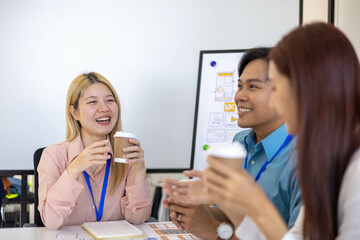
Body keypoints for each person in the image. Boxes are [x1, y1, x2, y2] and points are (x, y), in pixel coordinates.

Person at [201, 23, 360, 239]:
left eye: (275, 87)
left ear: (307, 88)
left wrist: (253, 206)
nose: (275, 102)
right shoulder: (324, 155)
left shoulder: (353, 166)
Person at [163, 48, 302, 239]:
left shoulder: (304, 160)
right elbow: (232, 218)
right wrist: (199, 212)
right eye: (239, 86)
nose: (239, 96)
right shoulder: (239, 143)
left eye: (253, 87)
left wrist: (213, 231)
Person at [38, 72, 152, 229]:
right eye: (92, 102)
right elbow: (51, 221)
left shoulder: (125, 154)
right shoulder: (53, 155)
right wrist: (73, 170)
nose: (104, 108)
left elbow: (138, 218)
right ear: (75, 112)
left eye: (110, 100)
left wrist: (139, 169)